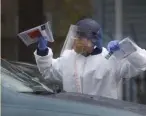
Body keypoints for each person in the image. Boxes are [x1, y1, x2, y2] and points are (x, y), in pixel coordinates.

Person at [34, 18, 146, 99]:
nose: (76, 41)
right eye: (75, 36)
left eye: (80, 38)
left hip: (103, 112)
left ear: (94, 40)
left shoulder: (111, 59)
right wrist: (42, 51)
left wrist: (126, 49)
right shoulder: (69, 58)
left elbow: (141, 64)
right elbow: (48, 71)